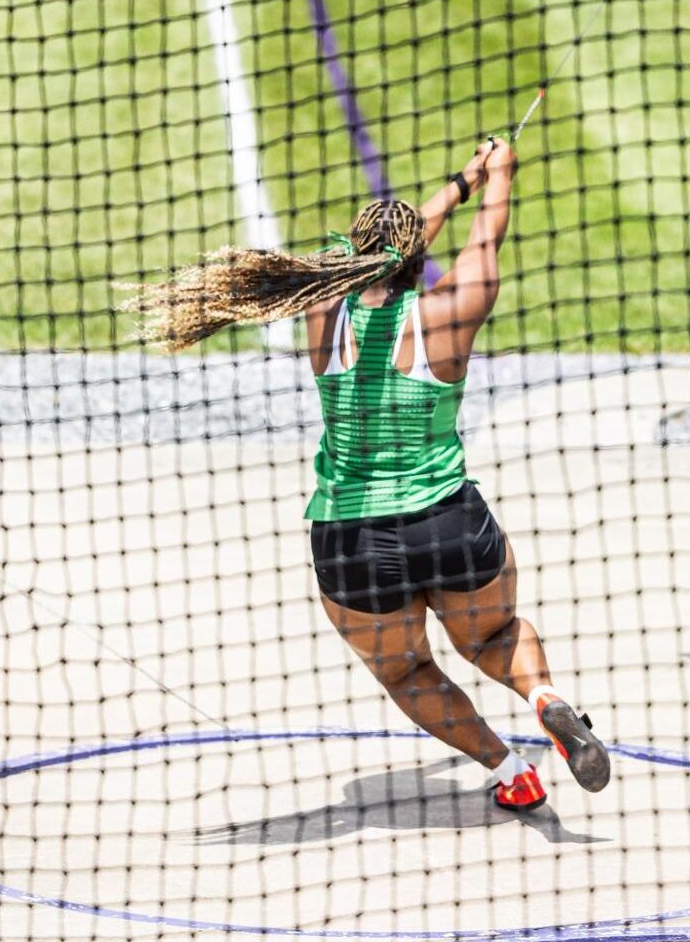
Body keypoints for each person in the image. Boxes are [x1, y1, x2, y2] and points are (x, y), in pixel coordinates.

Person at [120, 140, 610, 812]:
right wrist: (494, 180)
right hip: (447, 525)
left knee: (408, 671)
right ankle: (545, 698)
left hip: (351, 542)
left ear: (353, 261)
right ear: (415, 263)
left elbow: (380, 259)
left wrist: (454, 184)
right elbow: (484, 243)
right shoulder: (449, 314)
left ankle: (507, 771)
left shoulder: (323, 313)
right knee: (494, 637)